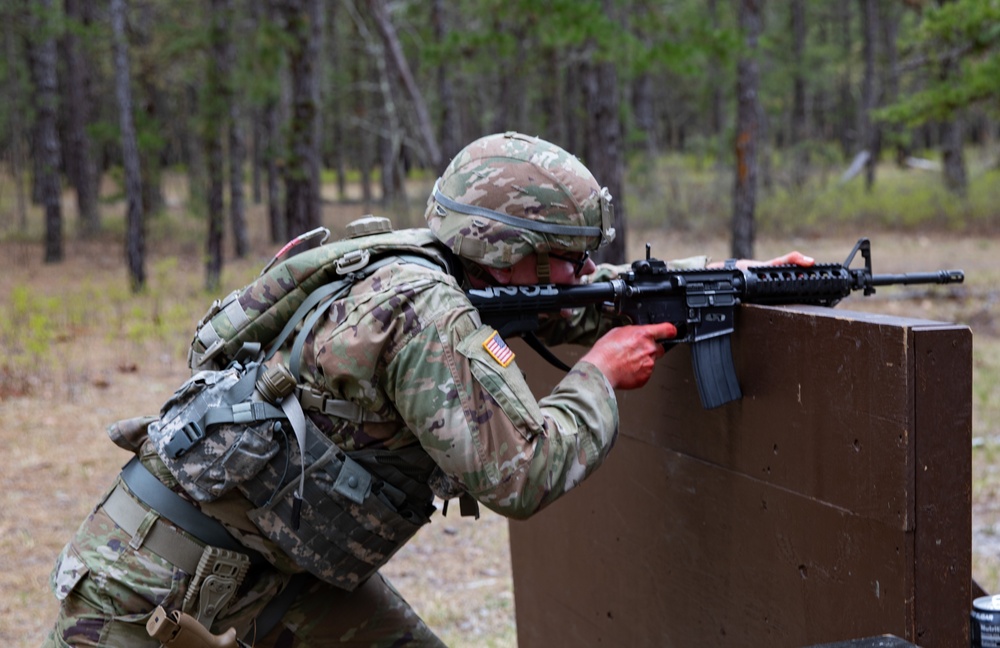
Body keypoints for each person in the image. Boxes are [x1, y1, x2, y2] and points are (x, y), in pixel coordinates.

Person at [45, 132, 812, 647]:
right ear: (506, 248)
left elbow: (570, 299)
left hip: (255, 567)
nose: (581, 275)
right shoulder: (424, 313)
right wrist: (600, 377)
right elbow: (523, 473)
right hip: (148, 599)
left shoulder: (425, 266)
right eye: (564, 256)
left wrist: (727, 281)